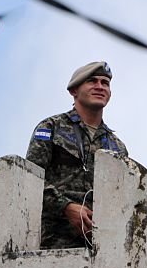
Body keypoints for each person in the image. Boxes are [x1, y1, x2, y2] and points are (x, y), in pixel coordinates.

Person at [26, 61, 128, 249]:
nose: (99, 87)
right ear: (74, 91)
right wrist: (66, 207)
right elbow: (31, 180)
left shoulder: (117, 147)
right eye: (92, 81)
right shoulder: (52, 128)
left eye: (105, 83)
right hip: (53, 242)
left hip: (102, 248)